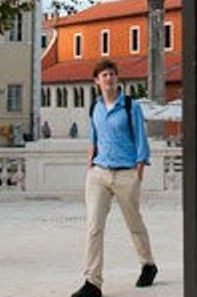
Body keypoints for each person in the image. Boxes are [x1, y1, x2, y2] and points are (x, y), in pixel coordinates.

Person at [71, 59, 157, 297]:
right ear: (96, 81)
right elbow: (93, 138)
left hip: (126, 173)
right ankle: (92, 282)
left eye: (112, 74)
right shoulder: (95, 107)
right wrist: (90, 165)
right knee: (93, 227)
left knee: (134, 223)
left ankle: (148, 264)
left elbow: (141, 139)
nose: (109, 78)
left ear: (117, 78)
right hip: (99, 174)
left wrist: (138, 172)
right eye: (104, 75)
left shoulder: (130, 106)